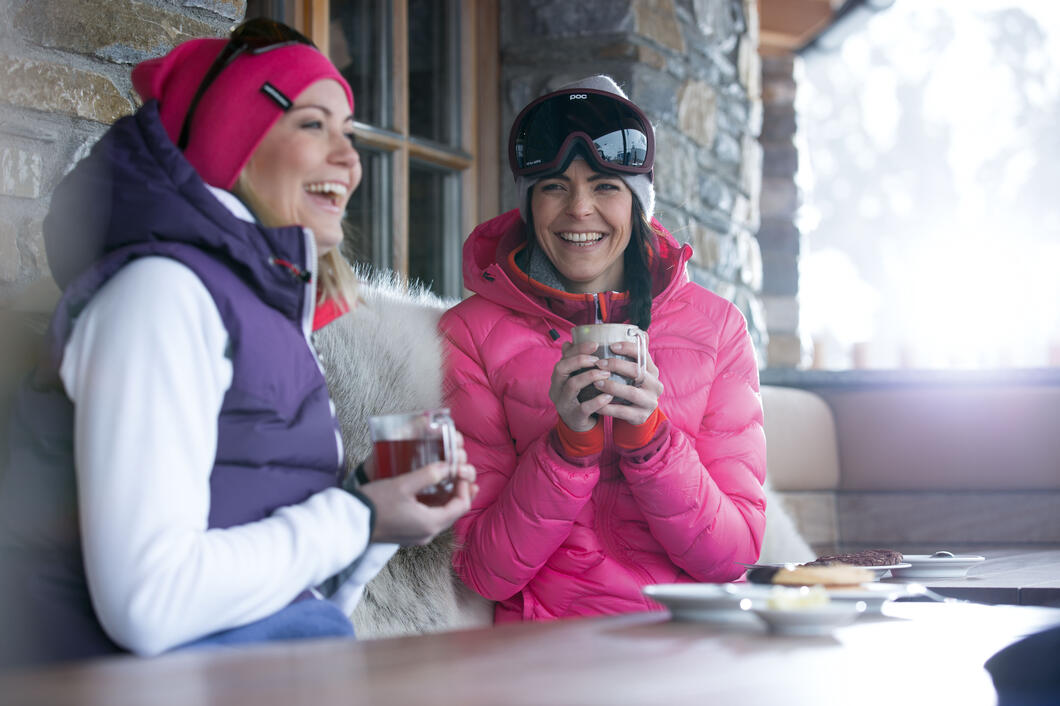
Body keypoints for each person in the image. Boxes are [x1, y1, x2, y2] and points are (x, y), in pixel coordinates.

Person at [0, 18, 474, 667]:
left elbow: (295, 607)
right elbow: (149, 604)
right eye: (315, 124)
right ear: (236, 138)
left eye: (349, 133)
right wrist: (354, 515)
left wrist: (378, 522)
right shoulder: (159, 298)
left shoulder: (264, 315)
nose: (351, 161)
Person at [440, 76, 765, 622]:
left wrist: (651, 441)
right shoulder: (469, 335)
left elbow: (731, 557)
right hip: (546, 650)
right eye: (554, 187)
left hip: (685, 643)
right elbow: (482, 571)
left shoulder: (718, 329)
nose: (579, 209)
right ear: (529, 202)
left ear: (638, 202)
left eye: (606, 186)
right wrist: (567, 448)